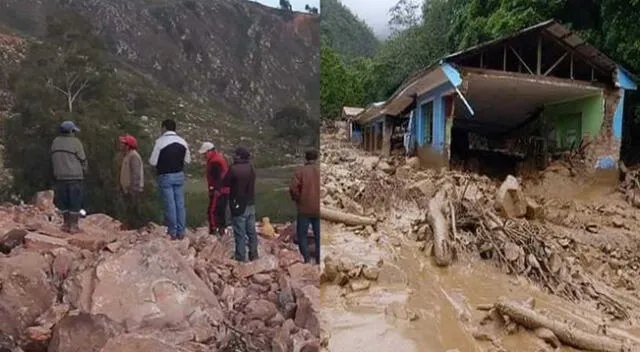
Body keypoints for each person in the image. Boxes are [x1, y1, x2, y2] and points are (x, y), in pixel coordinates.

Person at [149, 119, 191, 240]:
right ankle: (181, 231)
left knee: (170, 204)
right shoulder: (183, 141)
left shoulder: (160, 142)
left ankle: (172, 232)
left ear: (164, 128)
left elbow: (152, 161)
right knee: (180, 204)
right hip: (179, 174)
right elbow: (188, 160)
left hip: (165, 175)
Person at [50, 121, 87, 234]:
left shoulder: (55, 142)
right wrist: (85, 169)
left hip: (60, 176)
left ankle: (65, 225)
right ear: (71, 131)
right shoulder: (76, 142)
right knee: (75, 202)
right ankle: (74, 226)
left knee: (64, 201)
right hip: (75, 176)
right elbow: (82, 159)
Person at [222, 147, 257, 262]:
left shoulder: (234, 169)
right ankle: (254, 254)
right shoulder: (251, 168)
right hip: (250, 203)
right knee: (251, 231)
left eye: (235, 154)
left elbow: (225, 182)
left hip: (238, 204)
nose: (233, 156)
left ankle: (241, 256)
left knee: (240, 232)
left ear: (240, 156)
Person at [289, 149, 320, 264]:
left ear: (306, 158)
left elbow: (293, 188)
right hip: (318, 209)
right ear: (316, 158)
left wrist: (298, 199)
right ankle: (318, 260)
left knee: (302, 236)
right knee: (318, 236)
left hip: (304, 209)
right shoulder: (320, 171)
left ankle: (306, 260)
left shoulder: (300, 171)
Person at [198, 141, 230, 236]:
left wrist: (216, 190)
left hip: (218, 191)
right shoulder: (219, 159)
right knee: (221, 211)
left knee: (212, 211)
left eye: (204, 153)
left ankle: (213, 231)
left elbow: (218, 178)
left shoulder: (215, 162)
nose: (204, 156)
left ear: (210, 151)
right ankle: (221, 230)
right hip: (224, 190)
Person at [119, 134, 145, 229]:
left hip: (133, 189)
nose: (121, 145)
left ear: (128, 145)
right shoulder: (127, 155)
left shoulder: (134, 156)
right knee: (128, 209)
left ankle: (135, 228)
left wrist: (133, 188)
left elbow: (136, 174)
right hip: (127, 189)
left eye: (123, 143)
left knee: (133, 210)